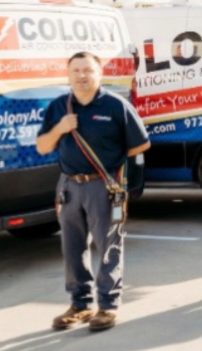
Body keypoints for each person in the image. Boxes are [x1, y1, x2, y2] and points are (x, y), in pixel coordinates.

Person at [37, 52, 150, 332]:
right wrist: (60, 129)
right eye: (76, 70)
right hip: (69, 186)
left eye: (88, 70)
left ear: (99, 73)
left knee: (109, 246)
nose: (82, 76)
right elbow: (42, 146)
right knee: (72, 247)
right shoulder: (58, 107)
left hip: (103, 185)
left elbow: (140, 145)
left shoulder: (115, 106)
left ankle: (108, 306)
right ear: (68, 74)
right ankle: (80, 304)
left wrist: (118, 176)